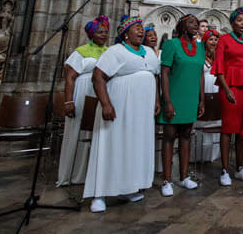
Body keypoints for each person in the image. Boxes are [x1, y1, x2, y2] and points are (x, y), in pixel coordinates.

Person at [84, 16, 160, 213]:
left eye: (141, 28)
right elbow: (98, 76)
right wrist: (106, 104)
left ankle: (130, 187)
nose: (141, 31)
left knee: (135, 147)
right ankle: (99, 194)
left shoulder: (150, 53)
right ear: (125, 33)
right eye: (136, 28)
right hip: (119, 108)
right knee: (112, 145)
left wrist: (157, 100)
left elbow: (154, 77)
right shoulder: (115, 51)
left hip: (141, 113)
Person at [57, 15, 110, 186]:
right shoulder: (81, 51)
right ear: (91, 34)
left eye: (106, 32)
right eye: (100, 32)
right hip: (82, 91)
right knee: (77, 131)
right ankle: (71, 174)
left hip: (101, 94)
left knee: (96, 132)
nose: (104, 35)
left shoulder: (109, 51)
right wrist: (68, 101)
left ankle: (91, 173)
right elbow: (70, 78)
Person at [211, 7, 243, 186]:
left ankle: (239, 168)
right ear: (232, 22)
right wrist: (227, 89)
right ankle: (224, 170)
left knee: (242, 130)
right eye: (240, 20)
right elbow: (219, 66)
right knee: (227, 129)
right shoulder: (224, 39)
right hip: (229, 87)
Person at [158, 14, 205, 196]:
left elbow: (200, 74)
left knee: (186, 135)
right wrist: (167, 101)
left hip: (191, 97)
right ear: (182, 26)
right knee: (169, 136)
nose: (196, 25)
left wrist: (201, 99)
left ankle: (184, 177)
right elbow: (164, 73)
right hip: (174, 96)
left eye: (197, 22)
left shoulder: (199, 47)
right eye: (191, 22)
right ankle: (167, 180)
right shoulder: (171, 45)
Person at [193, 28, 221, 163]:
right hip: (202, 92)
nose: (214, 42)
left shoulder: (220, 57)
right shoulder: (199, 56)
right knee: (202, 123)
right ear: (205, 42)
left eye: (216, 40)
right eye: (211, 39)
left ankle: (212, 155)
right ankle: (198, 155)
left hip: (216, 93)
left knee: (215, 122)